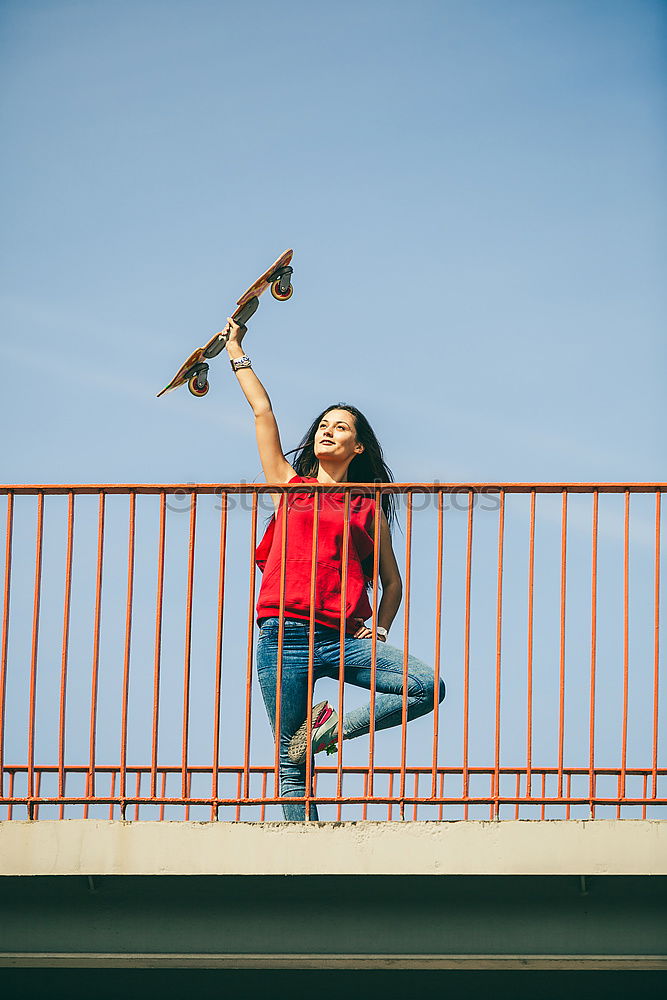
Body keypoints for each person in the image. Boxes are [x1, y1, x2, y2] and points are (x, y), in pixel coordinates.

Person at [223, 315, 445, 819]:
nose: (328, 431)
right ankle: (303, 857)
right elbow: (263, 412)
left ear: (357, 446)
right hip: (280, 636)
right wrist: (238, 352)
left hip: (341, 638)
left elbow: (393, 582)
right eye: (324, 424)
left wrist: (381, 628)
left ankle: (328, 731)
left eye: (340, 427)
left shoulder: (368, 504)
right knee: (290, 764)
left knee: (426, 687)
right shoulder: (289, 483)